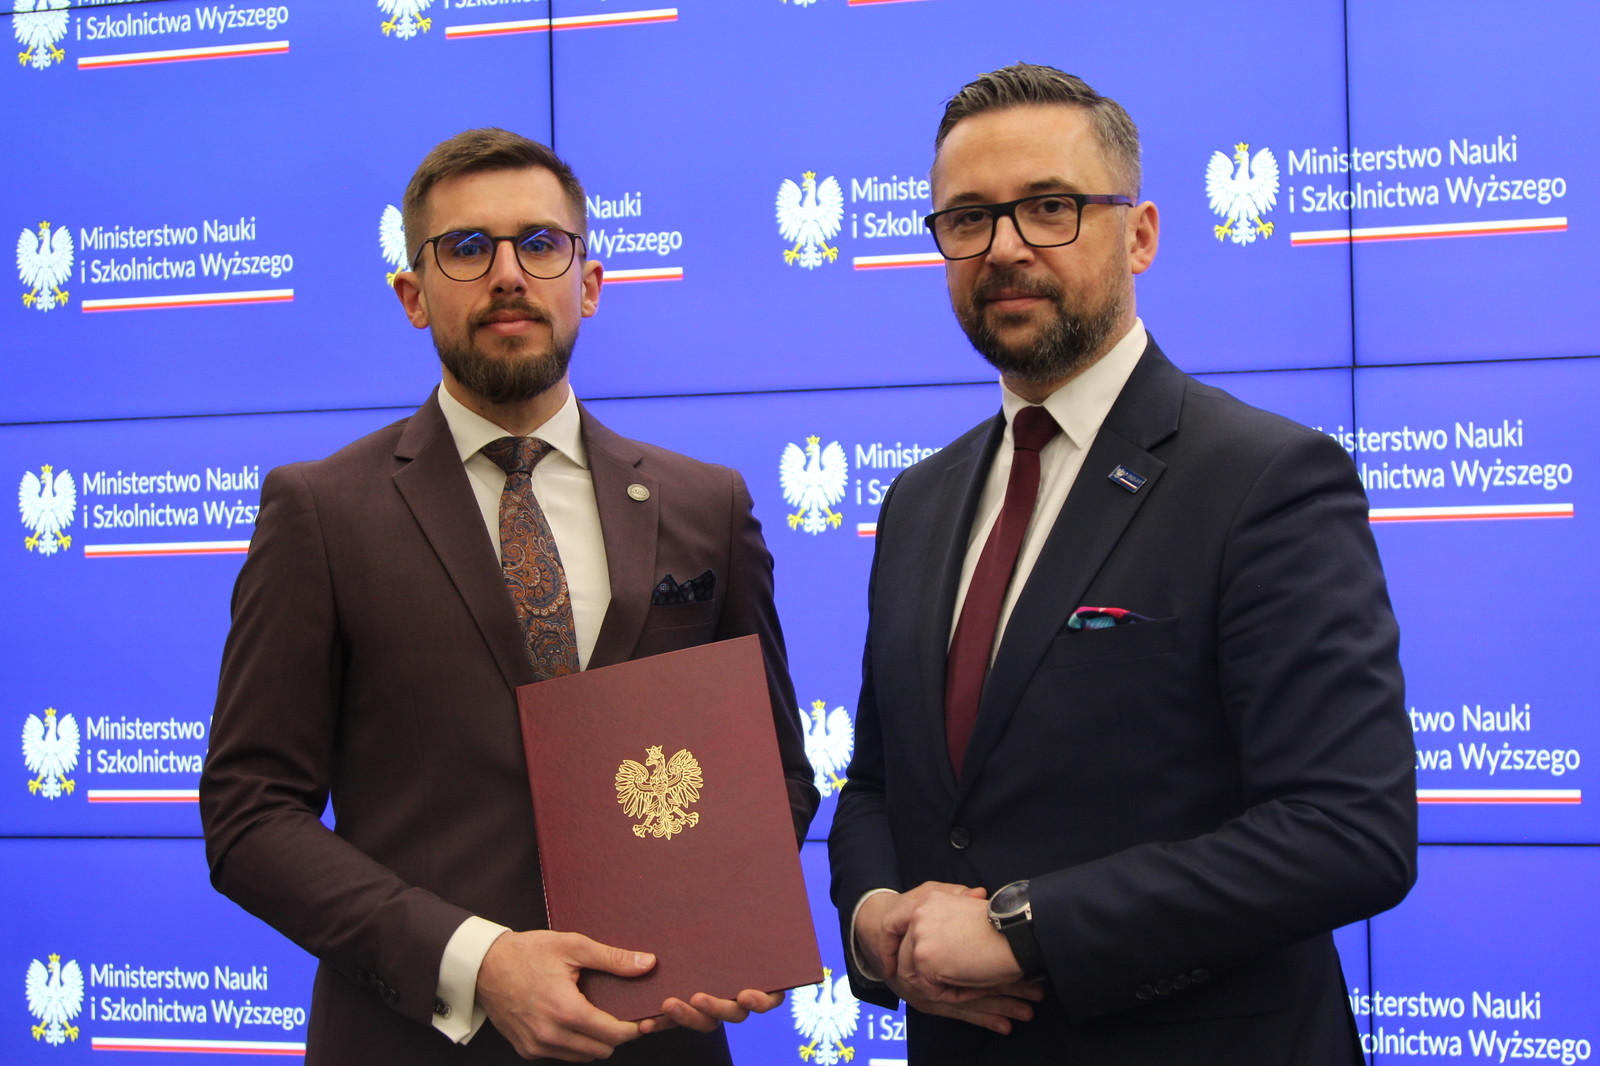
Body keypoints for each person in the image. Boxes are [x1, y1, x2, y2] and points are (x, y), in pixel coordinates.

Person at [827, 65, 1416, 1065]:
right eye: (967, 218)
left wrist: (1024, 928)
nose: (1004, 247)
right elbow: (882, 784)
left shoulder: (1265, 478)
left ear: (1139, 234)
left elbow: (1347, 829)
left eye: (1048, 207)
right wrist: (873, 915)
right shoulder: (918, 500)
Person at [201, 128, 818, 1065]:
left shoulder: (708, 504)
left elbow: (777, 774)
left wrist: (720, 915)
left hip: (660, 1035)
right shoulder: (321, 511)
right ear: (412, 295)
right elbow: (250, 816)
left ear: (590, 283)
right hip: (416, 1043)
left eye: (539, 244)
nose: (507, 275)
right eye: (465, 248)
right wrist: (477, 963)